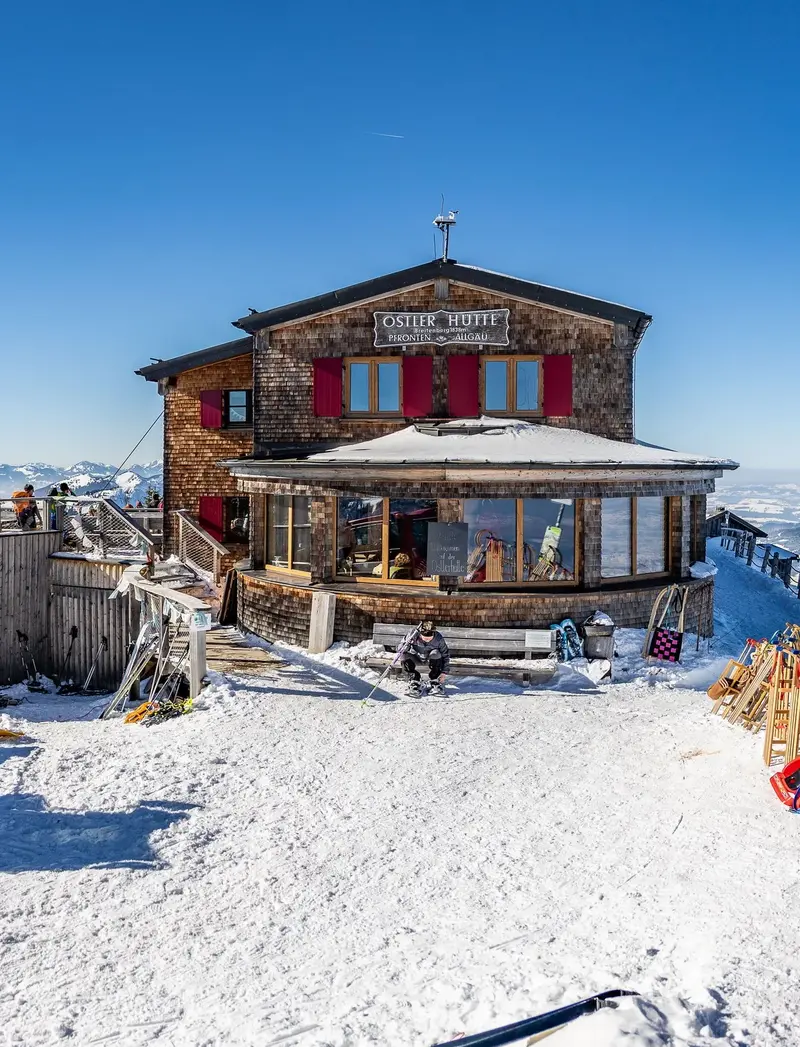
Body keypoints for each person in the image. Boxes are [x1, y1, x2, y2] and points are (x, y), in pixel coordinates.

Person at [400, 621, 450, 697]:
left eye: (430, 639)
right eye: (425, 639)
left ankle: (434, 681)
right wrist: (404, 647)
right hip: (415, 657)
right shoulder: (412, 634)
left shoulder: (438, 638)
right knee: (403, 654)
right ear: (420, 634)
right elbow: (400, 648)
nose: (427, 640)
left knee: (436, 653)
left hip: (430, 660)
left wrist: (444, 672)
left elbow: (445, 654)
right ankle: (415, 680)